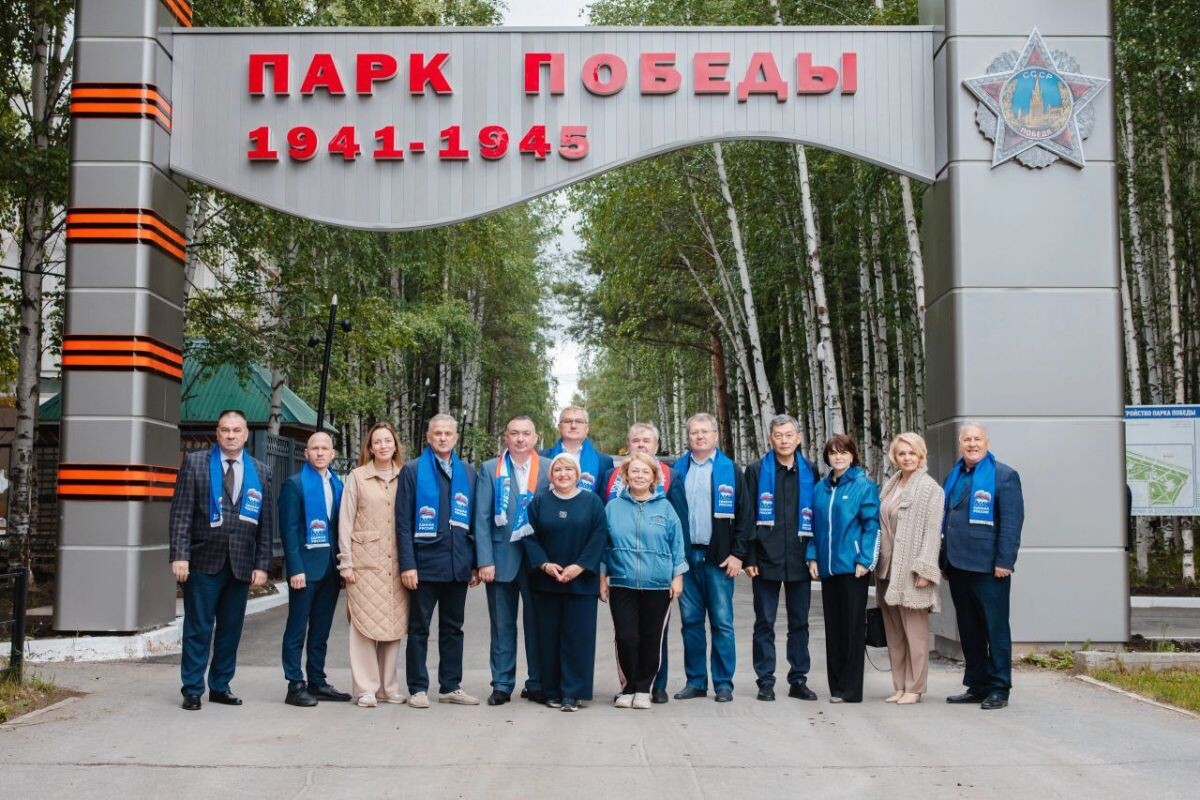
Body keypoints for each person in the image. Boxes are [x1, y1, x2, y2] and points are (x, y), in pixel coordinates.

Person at [169, 409, 273, 711]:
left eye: (236, 430)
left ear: (246, 434)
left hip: (241, 564)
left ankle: (220, 685)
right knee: (198, 628)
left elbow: (266, 523)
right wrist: (180, 555)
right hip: (203, 560)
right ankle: (192, 688)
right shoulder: (195, 463)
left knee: (230, 630)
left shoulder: (261, 471)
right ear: (217, 433)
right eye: (225, 430)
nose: (231, 435)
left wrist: (262, 564)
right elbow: (181, 513)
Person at [600, 421, 689, 704]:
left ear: (653, 478)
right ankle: (627, 687)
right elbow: (603, 545)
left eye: (645, 472)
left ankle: (643, 689)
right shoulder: (612, 508)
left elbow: (677, 544)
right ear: (626, 475)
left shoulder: (666, 508)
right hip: (622, 581)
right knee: (626, 636)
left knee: (652, 638)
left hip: (658, 583)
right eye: (634, 471)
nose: (639, 476)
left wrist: (678, 577)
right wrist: (602, 577)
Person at [396, 414, 480, 709]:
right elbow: (403, 522)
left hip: (458, 564)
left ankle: (451, 686)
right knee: (419, 628)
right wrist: (408, 564)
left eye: (448, 433)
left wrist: (474, 563)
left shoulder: (468, 473)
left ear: (456, 437)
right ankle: (418, 688)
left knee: (453, 628)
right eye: (437, 433)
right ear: (428, 437)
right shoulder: (412, 470)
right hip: (424, 564)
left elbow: (474, 522)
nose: (443, 438)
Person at [942, 422, 1024, 710]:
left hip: (990, 568)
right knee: (969, 630)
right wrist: (944, 560)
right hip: (958, 566)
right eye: (967, 439)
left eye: (977, 439)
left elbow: (1012, 523)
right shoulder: (954, 476)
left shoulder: (1004, 476)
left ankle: (999, 687)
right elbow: (947, 520)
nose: (972, 444)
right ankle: (977, 685)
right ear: (960, 444)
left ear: (986, 443)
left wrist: (1005, 561)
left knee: (995, 629)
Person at [673, 413, 752, 703]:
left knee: (722, 623)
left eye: (705, 431)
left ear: (715, 436)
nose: (699, 436)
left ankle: (723, 684)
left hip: (718, 558)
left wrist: (738, 554)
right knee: (691, 622)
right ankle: (695, 681)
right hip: (685, 556)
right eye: (694, 432)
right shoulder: (677, 470)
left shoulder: (730, 469)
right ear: (688, 436)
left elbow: (745, 515)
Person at [474, 415, 551, 706]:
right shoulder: (489, 469)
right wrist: (484, 560)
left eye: (526, 433)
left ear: (535, 437)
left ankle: (537, 683)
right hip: (500, 559)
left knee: (537, 625)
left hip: (537, 561)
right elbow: (481, 518)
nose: (520, 439)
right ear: (506, 437)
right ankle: (502, 684)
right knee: (502, 626)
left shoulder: (549, 468)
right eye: (514, 433)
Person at [523, 452, 608, 711]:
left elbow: (599, 536)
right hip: (546, 582)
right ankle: (551, 690)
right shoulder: (539, 502)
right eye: (558, 470)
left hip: (581, 582)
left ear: (577, 474)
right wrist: (544, 564)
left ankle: (573, 692)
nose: (563, 474)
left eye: (569, 469)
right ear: (551, 475)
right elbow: (529, 536)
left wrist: (580, 566)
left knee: (578, 639)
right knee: (548, 638)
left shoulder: (592, 502)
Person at [743, 414, 819, 702]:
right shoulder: (756, 471)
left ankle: (798, 679)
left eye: (789, 435)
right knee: (764, 622)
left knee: (799, 623)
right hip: (765, 559)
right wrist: (750, 557)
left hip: (800, 558)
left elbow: (818, 517)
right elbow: (748, 516)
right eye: (778, 435)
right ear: (770, 439)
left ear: (798, 438)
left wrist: (814, 555)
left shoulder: (810, 471)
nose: (784, 440)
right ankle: (765, 680)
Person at [277, 431, 352, 706]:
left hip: (330, 569)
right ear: (306, 453)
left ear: (333, 454)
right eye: (315, 448)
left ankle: (317, 681)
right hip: (305, 571)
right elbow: (289, 530)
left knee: (321, 629)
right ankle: (295, 684)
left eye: (325, 448)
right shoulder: (294, 484)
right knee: (297, 628)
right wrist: (295, 568)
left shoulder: (337, 485)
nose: (320, 453)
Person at [338, 421, 409, 708]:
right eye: (377, 441)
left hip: (397, 564)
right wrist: (346, 561)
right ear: (369, 447)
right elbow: (345, 520)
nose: (383, 446)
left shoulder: (406, 475)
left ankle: (388, 687)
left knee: (393, 625)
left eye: (387, 441)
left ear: (395, 445)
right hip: (365, 564)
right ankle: (366, 688)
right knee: (363, 626)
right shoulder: (357, 477)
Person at [806, 434, 879, 704]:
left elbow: (871, 525)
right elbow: (814, 527)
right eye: (833, 453)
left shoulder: (863, 485)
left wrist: (865, 559)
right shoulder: (820, 488)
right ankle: (836, 686)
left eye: (843, 452)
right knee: (834, 629)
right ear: (827, 457)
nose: (838, 457)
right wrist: (812, 556)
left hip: (853, 567)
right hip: (828, 568)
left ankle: (851, 689)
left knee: (852, 629)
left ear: (852, 455)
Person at [876, 432, 945, 705]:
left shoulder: (930, 489)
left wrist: (925, 570)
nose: (907, 458)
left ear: (921, 455)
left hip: (912, 570)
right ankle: (899, 685)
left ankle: (915, 688)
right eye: (902, 453)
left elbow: (933, 532)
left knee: (915, 634)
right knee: (895, 633)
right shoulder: (891, 485)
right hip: (887, 569)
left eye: (912, 453)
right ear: (895, 457)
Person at [541, 405, 614, 494]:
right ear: (559, 427)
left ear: (587, 428)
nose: (573, 426)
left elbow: (605, 499)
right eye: (568, 421)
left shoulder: (605, 462)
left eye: (579, 421)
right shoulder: (541, 457)